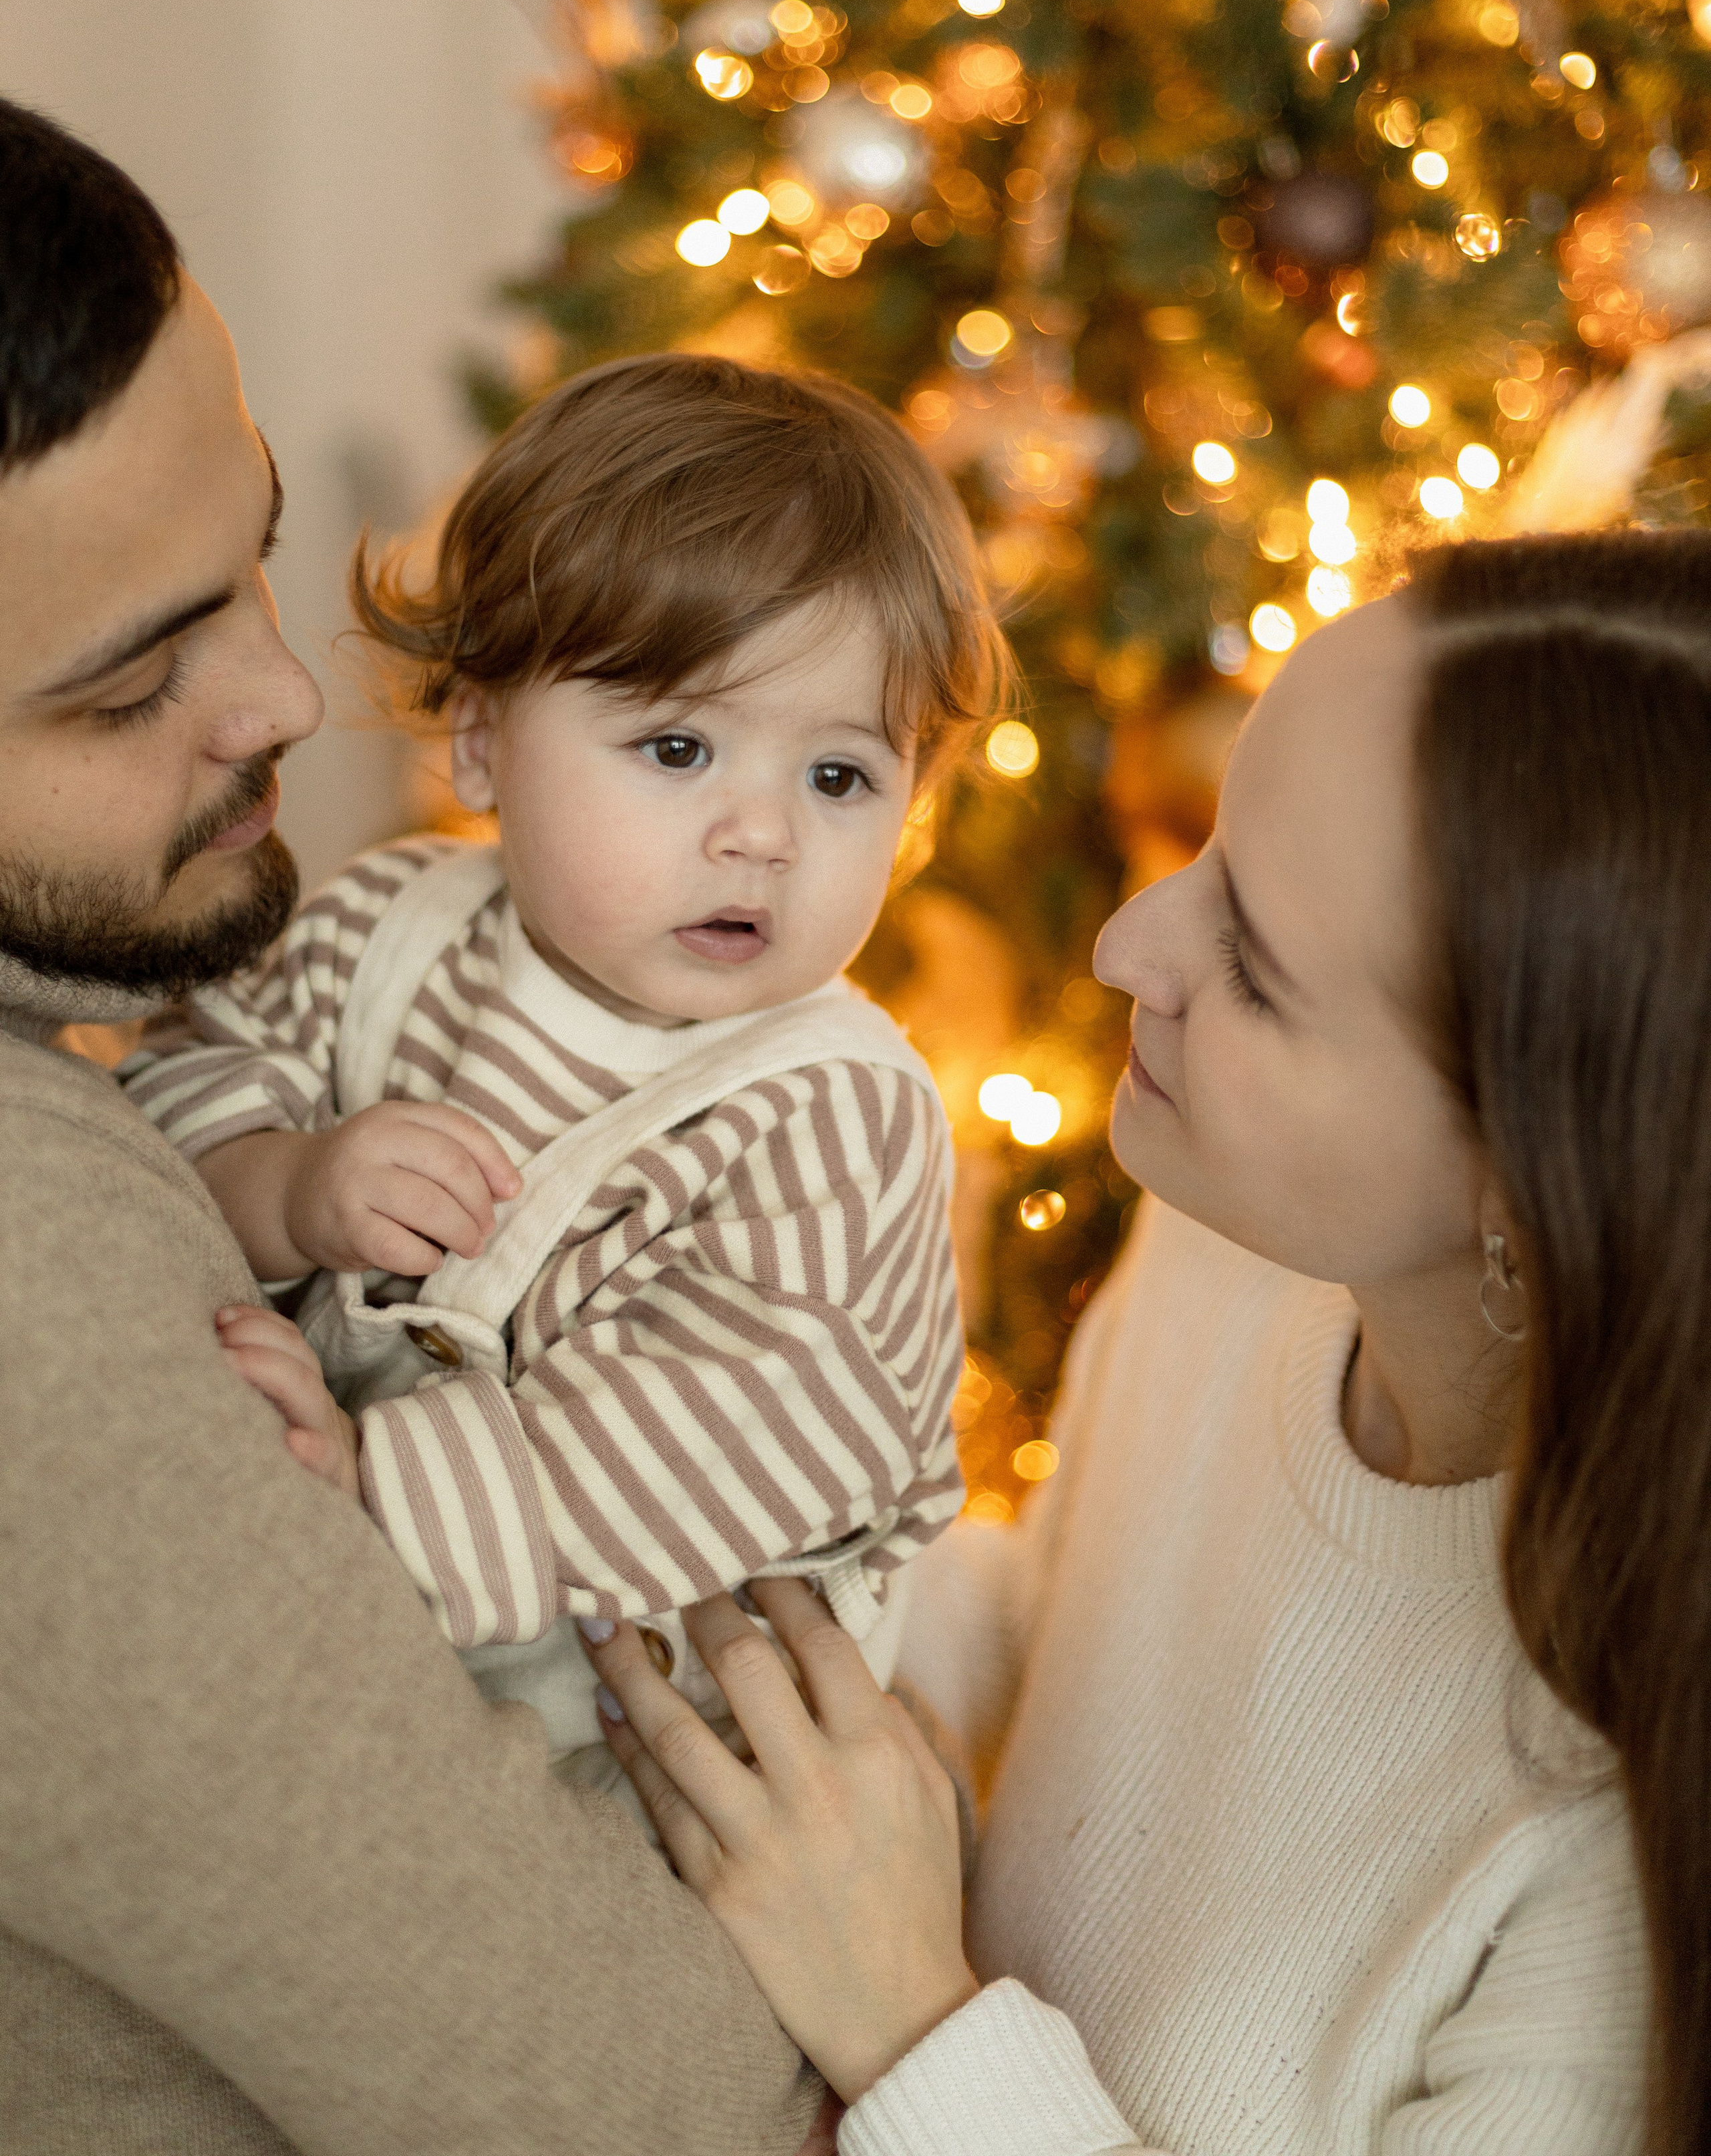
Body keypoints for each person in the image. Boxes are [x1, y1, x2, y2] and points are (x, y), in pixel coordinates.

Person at [568, 529, 1711, 2153]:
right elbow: (1057, 1623)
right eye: (1208, 848)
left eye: (1250, 963)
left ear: (1525, 1187)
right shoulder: (1239, 1252)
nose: (1125, 948)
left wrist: (908, 2022)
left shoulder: (1610, 1870)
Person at [0, 96, 823, 2155]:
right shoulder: (31, 1278)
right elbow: (646, 2108)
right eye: (123, 688)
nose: (285, 694)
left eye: (253, 550)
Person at [122, 356, 1000, 1785]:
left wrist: (371, 1488)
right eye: (677, 745)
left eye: (838, 777)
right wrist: (281, 1187)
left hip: (653, 1738)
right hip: (354, 1636)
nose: (761, 835)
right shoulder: (380, 927)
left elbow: (741, 1426)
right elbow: (182, 1074)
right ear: (481, 744)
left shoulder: (835, 1111)